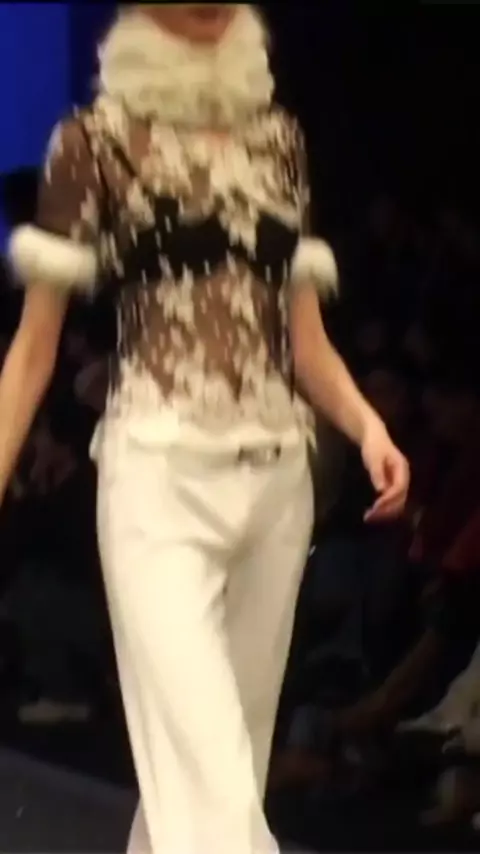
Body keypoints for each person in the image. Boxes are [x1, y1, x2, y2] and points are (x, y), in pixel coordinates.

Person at [3, 5, 409, 853]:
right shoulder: (94, 143)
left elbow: (304, 340)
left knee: (211, 788)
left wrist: (366, 423)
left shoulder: (277, 141)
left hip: (277, 484)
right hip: (157, 479)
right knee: (214, 793)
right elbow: (35, 348)